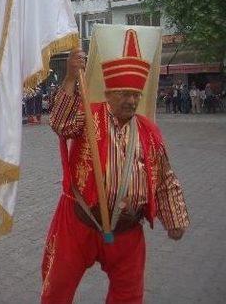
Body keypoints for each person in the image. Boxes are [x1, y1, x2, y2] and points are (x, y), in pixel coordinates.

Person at [41, 31, 189, 304]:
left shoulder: (149, 132)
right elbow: (60, 124)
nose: (131, 100)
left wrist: (175, 219)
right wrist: (72, 77)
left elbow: (165, 178)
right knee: (57, 290)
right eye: (124, 93)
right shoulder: (89, 113)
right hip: (80, 223)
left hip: (128, 229)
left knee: (129, 296)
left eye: (135, 94)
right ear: (108, 93)